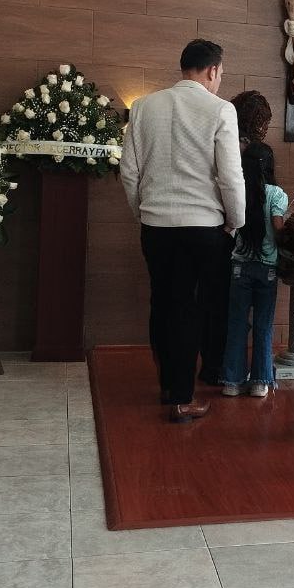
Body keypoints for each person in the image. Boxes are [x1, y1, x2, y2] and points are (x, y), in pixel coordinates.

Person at [121, 39, 244, 423]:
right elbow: (230, 176)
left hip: (156, 226)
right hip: (205, 228)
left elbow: (128, 171)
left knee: (164, 304)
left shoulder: (143, 107)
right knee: (193, 310)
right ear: (212, 70)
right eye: (221, 73)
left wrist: (143, 212)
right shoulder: (221, 109)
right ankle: (182, 397)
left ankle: (168, 385)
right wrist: (234, 221)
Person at [220, 142, 287, 399]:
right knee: (263, 326)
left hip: (239, 267)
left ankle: (231, 381)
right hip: (267, 268)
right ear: (270, 165)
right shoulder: (277, 194)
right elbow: (278, 229)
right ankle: (260, 382)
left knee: (236, 325)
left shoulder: (238, 192)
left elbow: (230, 226)